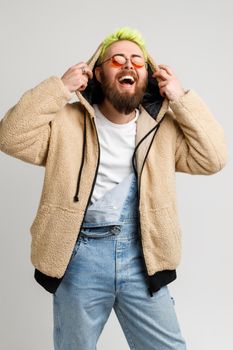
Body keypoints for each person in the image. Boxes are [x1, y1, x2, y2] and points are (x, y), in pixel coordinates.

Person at [0, 27, 227, 350]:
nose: (128, 65)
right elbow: (9, 136)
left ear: (148, 76)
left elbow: (215, 158)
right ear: (96, 73)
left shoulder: (162, 129)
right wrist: (59, 88)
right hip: (79, 257)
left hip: (143, 256)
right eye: (117, 59)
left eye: (137, 61)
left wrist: (181, 98)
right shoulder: (66, 122)